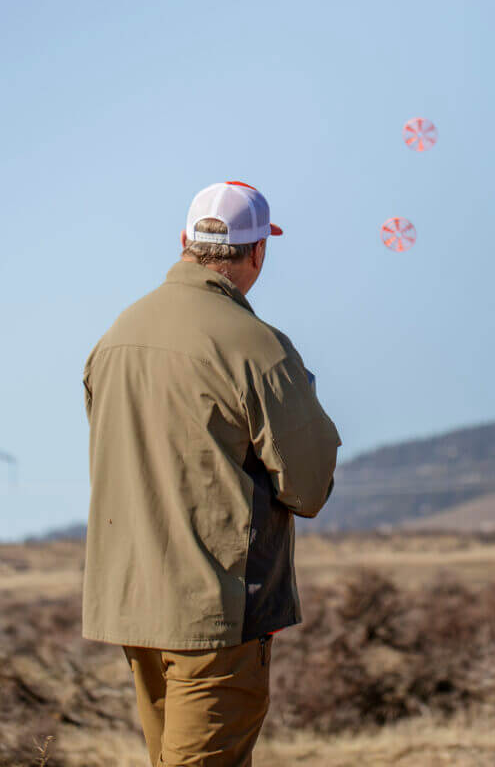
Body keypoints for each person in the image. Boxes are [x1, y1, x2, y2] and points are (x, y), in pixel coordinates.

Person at [82, 181, 341, 767]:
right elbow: (309, 488)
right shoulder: (260, 348)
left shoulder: (115, 338)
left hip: (133, 606)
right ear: (258, 253)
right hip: (216, 612)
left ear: (183, 242)